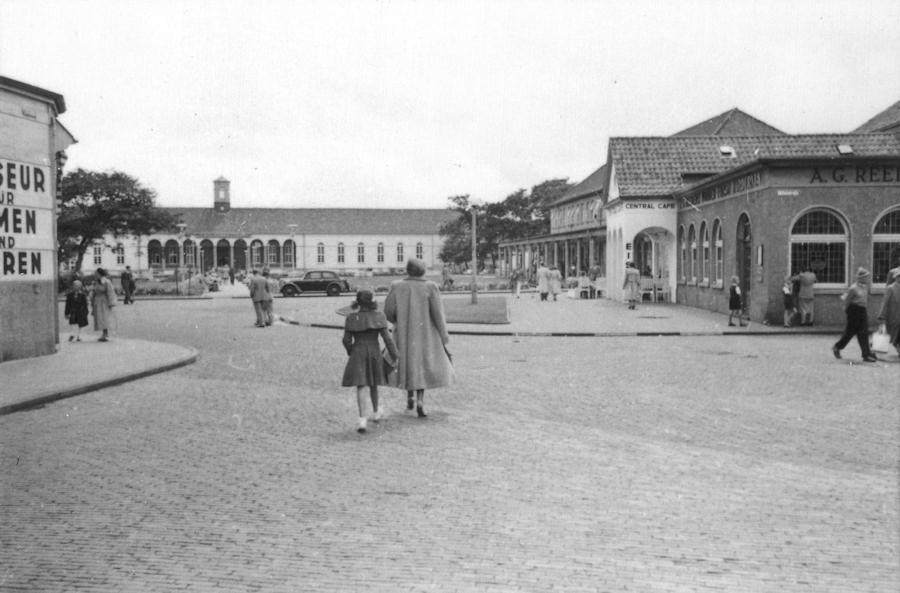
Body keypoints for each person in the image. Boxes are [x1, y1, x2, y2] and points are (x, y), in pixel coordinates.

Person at [384, 258, 454, 418]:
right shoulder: (430, 287)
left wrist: (398, 319)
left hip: (404, 333)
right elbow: (438, 314)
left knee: (408, 362)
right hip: (426, 334)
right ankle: (420, 401)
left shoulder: (397, 286)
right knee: (421, 365)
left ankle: (410, 397)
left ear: (407, 270)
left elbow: (388, 311)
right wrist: (444, 335)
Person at [341, 290, 398, 433]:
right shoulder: (379, 316)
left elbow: (346, 340)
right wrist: (395, 356)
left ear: (357, 302)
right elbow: (388, 339)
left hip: (358, 352)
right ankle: (376, 411)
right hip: (374, 351)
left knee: (361, 385)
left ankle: (362, 419)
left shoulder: (351, 318)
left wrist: (351, 351)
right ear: (372, 302)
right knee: (373, 383)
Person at [832, 267, 877, 362]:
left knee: (864, 332)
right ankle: (837, 347)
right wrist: (848, 311)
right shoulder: (853, 288)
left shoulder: (865, 287)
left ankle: (866, 354)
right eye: (866, 277)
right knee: (850, 332)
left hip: (862, 310)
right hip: (854, 310)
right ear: (861, 278)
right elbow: (847, 300)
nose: (868, 279)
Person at [877, 268, 900, 356]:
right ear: (895, 277)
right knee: (893, 332)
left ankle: (898, 346)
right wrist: (881, 314)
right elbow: (885, 302)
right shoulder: (891, 288)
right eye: (899, 277)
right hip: (893, 313)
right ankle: (897, 345)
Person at [91, 268, 117, 342]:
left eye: (96, 274)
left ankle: (105, 334)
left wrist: (111, 302)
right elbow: (94, 292)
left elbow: (110, 292)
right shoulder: (96, 282)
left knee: (104, 317)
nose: (95, 275)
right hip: (97, 301)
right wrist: (92, 301)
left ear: (100, 274)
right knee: (99, 318)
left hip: (104, 301)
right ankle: (104, 333)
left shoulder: (106, 281)